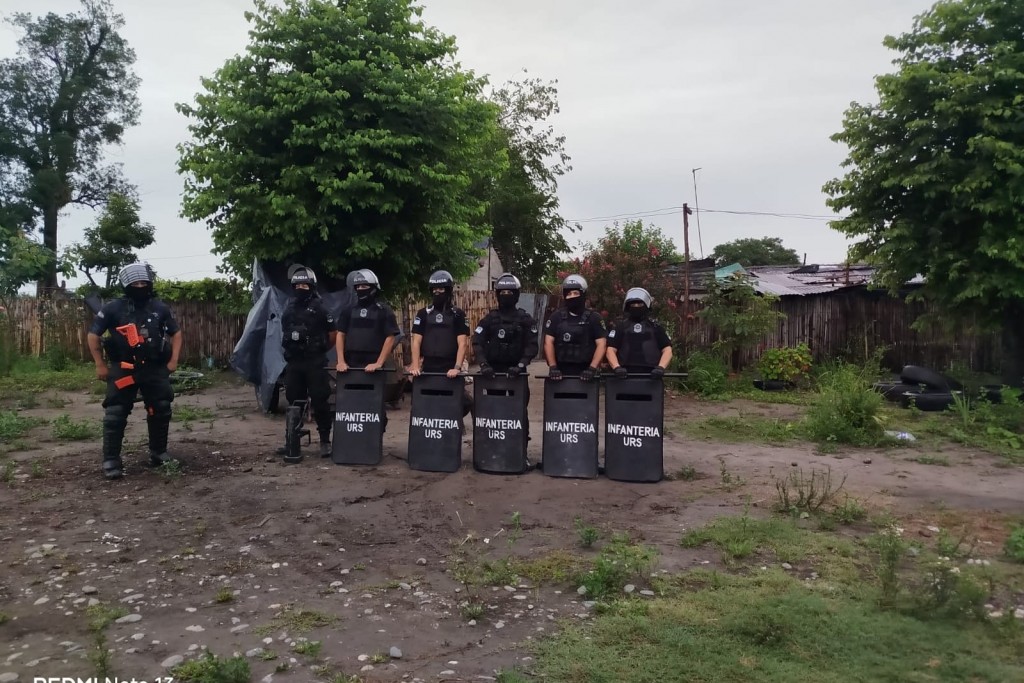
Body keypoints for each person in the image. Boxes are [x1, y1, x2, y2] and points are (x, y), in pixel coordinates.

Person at [86, 263, 183, 480]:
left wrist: (174, 360)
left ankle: (158, 453)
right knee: (115, 412)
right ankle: (111, 460)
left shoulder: (160, 308)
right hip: (124, 368)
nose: (140, 286)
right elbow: (93, 335)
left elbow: (176, 333)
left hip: (154, 368)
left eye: (143, 283)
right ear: (126, 285)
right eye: (135, 283)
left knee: (161, 407)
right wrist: (99, 364)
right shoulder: (112, 308)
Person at [280, 264, 336, 458]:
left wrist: (320, 349)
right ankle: (292, 441)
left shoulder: (320, 309)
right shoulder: (289, 309)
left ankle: (325, 441)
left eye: (304, 285)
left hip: (315, 362)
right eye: (297, 285)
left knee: (320, 400)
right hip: (294, 362)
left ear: (311, 286)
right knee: (294, 401)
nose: (300, 288)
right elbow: (285, 332)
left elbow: (333, 334)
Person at [409, 269, 472, 419]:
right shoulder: (423, 314)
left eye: (441, 289)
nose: (437, 292)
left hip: (450, 367)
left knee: (462, 403)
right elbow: (416, 341)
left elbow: (463, 343)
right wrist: (415, 365)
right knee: (425, 403)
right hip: (428, 367)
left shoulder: (458, 314)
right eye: (434, 289)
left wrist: (457, 368)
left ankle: (455, 426)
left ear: (448, 290)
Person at [544, 274, 606, 381]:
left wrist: (592, 368)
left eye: (576, 293)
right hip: (559, 373)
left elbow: (602, 344)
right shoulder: (556, 317)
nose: (572, 296)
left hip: (587, 374)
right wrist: (553, 367)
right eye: (569, 294)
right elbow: (548, 342)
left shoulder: (594, 318)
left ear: (583, 294)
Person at [606, 287, 673, 377]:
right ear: (628, 306)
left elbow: (667, 349)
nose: (636, 306)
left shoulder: (656, 327)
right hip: (623, 376)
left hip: (651, 376)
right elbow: (610, 349)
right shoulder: (620, 327)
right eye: (633, 304)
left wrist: (661, 367)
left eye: (640, 304)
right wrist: (616, 367)